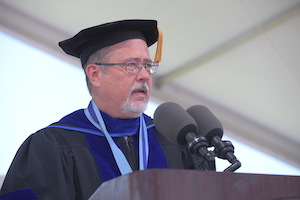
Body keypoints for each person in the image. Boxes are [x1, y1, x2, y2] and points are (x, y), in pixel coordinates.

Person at [0, 19, 202, 200]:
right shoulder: (53, 146)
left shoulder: (174, 139)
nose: (144, 76)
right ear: (95, 74)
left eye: (148, 66)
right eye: (132, 65)